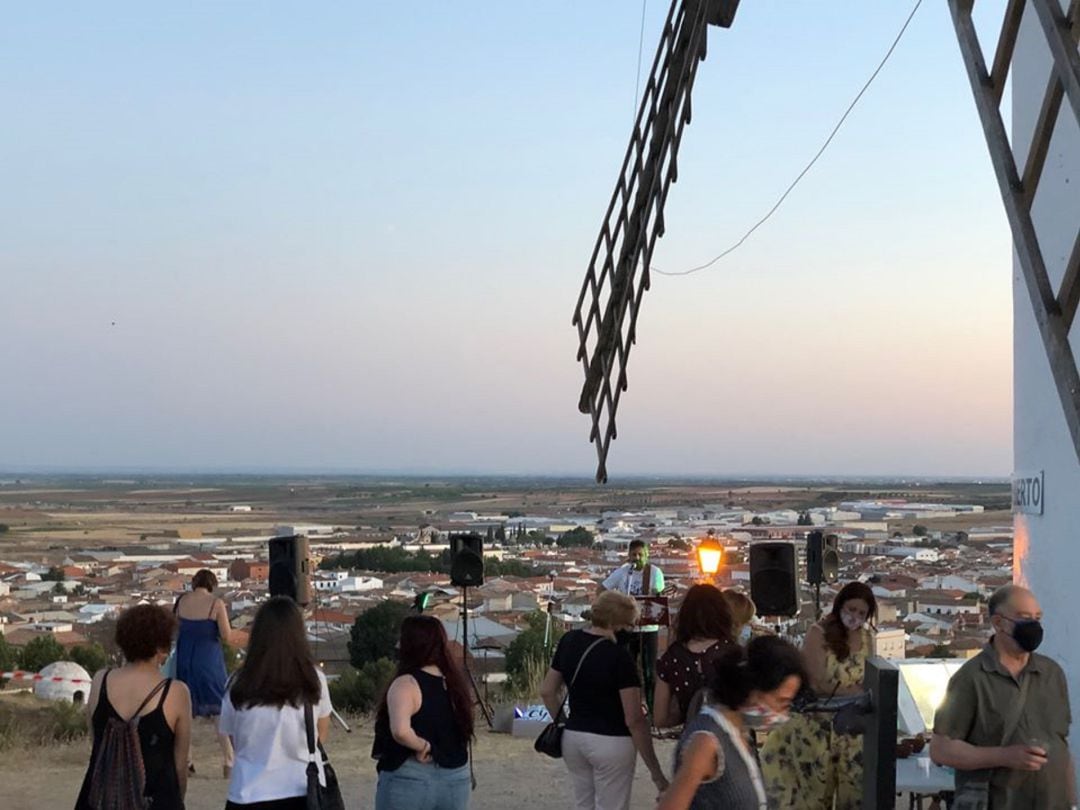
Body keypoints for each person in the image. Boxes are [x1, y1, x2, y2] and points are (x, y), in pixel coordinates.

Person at [931, 584, 1077, 810]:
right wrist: (1005, 756)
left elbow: (1061, 745)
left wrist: (1072, 802)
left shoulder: (1052, 673)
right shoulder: (971, 678)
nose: (1033, 626)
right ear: (998, 623)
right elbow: (941, 749)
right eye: (1024, 618)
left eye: (1037, 618)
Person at [540, 590, 668, 810]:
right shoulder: (620, 658)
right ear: (616, 624)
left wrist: (563, 722)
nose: (631, 630)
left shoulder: (569, 640)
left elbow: (547, 691)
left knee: (584, 804)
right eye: (630, 625)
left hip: (573, 738)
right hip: (612, 741)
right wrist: (656, 774)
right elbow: (634, 719)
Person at [759, 580, 876, 810]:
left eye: (862, 613)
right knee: (812, 798)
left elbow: (868, 679)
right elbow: (816, 682)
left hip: (851, 733)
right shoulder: (818, 633)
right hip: (816, 729)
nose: (855, 616)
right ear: (840, 605)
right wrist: (851, 691)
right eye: (851, 609)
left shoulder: (866, 639)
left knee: (853, 797)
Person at [658, 636, 805, 810]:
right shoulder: (706, 741)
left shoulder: (737, 732)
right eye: (781, 702)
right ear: (754, 690)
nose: (784, 713)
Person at [219, 596, 333, 810]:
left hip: (248, 792)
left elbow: (233, 736)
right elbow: (320, 734)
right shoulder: (314, 680)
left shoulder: (237, 682)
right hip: (302, 789)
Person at [75, 604, 192, 810]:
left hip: (101, 798)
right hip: (157, 799)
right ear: (161, 648)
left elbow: (97, 741)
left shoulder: (100, 680)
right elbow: (179, 764)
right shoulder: (175, 692)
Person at [372, 615, 474, 810]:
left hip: (411, 777)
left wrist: (423, 746)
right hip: (456, 778)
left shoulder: (406, 684)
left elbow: (400, 730)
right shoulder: (455, 684)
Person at [174, 568, 236, 777]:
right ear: (212, 584)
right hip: (209, 662)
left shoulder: (181, 602)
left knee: (185, 713)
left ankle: (187, 761)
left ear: (194, 583)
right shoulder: (216, 604)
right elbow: (227, 636)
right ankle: (229, 761)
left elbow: (175, 630)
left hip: (184, 662)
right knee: (220, 711)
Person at [654, 584, 735, 728]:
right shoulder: (733, 653)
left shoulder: (672, 657)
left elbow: (660, 719)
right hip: (731, 741)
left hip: (692, 742)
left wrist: (687, 712)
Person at [600, 540, 665, 713]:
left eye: (640, 555)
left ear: (647, 555)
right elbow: (603, 588)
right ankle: (624, 708)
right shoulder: (623, 572)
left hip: (647, 629)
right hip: (625, 628)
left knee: (649, 671)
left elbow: (657, 596)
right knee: (624, 669)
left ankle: (652, 710)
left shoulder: (654, 573)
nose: (636, 558)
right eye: (633, 555)